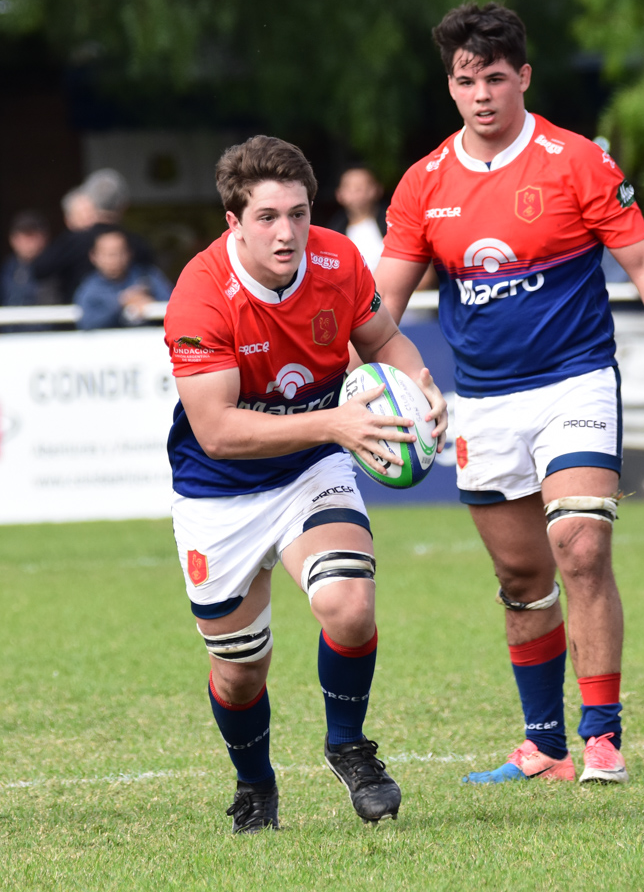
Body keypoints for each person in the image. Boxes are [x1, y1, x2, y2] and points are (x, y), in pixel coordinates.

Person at [374, 2, 644, 787]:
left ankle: (601, 734)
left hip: (576, 380)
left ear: (523, 77)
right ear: (452, 87)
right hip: (485, 400)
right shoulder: (425, 184)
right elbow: (380, 309)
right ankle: (545, 746)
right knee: (524, 580)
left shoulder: (576, 161)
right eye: (467, 81)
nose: (482, 94)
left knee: (582, 547)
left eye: (496, 77)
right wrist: (362, 392)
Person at [165, 135, 447, 832]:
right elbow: (218, 431)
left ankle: (349, 745)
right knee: (239, 670)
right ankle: (255, 783)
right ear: (233, 222)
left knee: (349, 607)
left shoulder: (337, 258)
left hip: (310, 469)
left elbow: (382, 342)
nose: (287, 231)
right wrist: (334, 424)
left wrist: (420, 385)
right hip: (218, 489)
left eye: (298, 212)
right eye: (267, 217)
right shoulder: (202, 295)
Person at [34, 169, 154, 301]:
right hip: (128, 319)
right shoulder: (137, 243)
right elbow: (151, 279)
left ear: (90, 202)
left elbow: (39, 270)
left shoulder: (73, 241)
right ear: (124, 205)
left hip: (81, 319)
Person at [74, 230, 172, 330]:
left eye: (120, 252)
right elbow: (87, 323)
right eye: (110, 254)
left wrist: (151, 304)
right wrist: (120, 303)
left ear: (130, 253)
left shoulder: (148, 276)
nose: (116, 259)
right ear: (94, 256)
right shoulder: (89, 287)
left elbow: (172, 305)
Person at [0, 211, 60, 307]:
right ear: (13, 239)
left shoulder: (56, 265)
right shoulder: (9, 267)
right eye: (23, 236)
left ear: (44, 238)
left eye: (32, 236)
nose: (28, 243)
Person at [333, 167, 386, 270]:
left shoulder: (393, 224)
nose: (355, 191)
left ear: (377, 190)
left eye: (362, 186)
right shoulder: (333, 232)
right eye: (349, 187)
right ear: (339, 194)